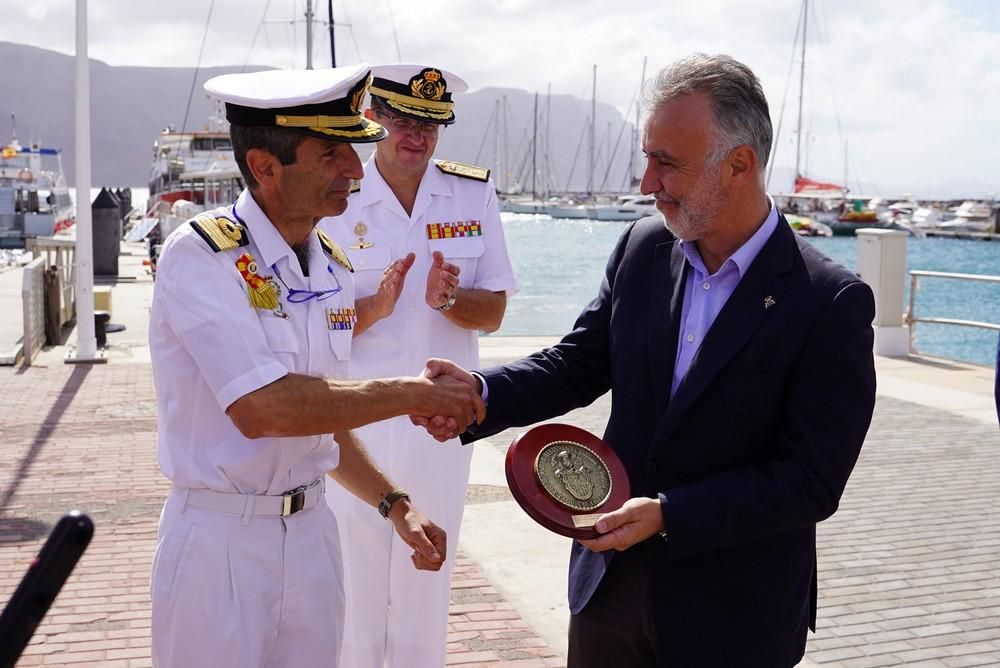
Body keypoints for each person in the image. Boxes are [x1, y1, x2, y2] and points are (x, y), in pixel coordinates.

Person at [419, 53, 877, 667]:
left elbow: (810, 481)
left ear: (739, 164)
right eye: (647, 156)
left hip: (734, 615)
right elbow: (578, 363)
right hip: (609, 591)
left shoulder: (830, 302)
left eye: (667, 163)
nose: (645, 182)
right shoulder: (642, 247)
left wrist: (670, 515)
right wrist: (479, 392)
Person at [147, 64, 485, 668]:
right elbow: (266, 408)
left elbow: (319, 416)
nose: (356, 170)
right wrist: (414, 394)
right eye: (331, 154)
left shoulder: (325, 263)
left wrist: (395, 504)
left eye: (352, 151)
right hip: (222, 546)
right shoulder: (203, 258)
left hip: (312, 538)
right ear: (265, 166)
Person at [320, 63, 517, 668]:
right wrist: (374, 308)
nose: (418, 138)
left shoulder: (470, 193)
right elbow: (314, 327)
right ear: (373, 118)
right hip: (357, 419)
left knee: (427, 576)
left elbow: (496, 312)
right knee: (352, 585)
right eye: (405, 121)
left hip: (438, 423)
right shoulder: (336, 198)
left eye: (430, 125)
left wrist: (451, 301)